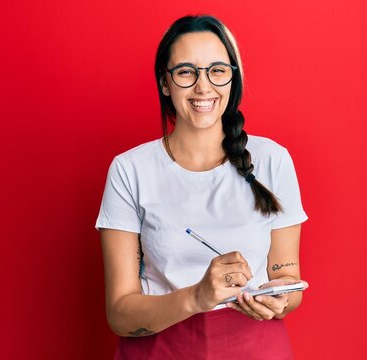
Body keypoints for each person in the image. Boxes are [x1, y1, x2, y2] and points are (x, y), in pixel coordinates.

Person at [96, 14, 309, 359]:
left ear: (232, 78)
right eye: (185, 72)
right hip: (159, 349)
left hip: (256, 348)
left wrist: (280, 298)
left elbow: (289, 280)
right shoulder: (129, 170)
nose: (203, 87)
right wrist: (197, 296)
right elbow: (120, 315)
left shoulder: (273, 160)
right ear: (165, 83)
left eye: (217, 70)